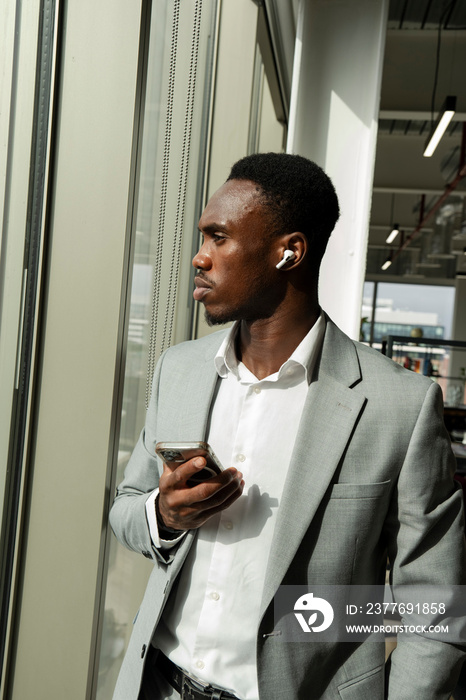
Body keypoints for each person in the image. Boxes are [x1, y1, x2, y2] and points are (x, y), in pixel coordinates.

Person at [110, 152, 466, 700]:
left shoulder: (400, 405)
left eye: (218, 238)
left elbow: (434, 605)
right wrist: (163, 515)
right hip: (157, 683)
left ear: (289, 252)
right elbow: (124, 507)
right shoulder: (178, 371)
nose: (199, 258)